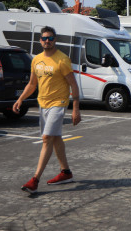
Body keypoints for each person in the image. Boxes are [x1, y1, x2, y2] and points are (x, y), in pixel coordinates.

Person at [14, 26, 81, 195]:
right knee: (56, 138)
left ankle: (34, 180)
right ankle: (66, 172)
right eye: (44, 38)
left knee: (46, 139)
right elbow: (32, 84)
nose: (47, 41)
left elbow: (73, 85)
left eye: (50, 38)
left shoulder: (62, 60)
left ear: (55, 39)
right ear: (40, 40)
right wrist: (20, 99)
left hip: (58, 103)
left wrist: (75, 109)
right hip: (43, 104)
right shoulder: (36, 60)